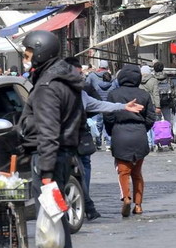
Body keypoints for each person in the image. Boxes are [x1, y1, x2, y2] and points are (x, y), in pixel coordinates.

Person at [18, 30, 83, 248]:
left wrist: (45, 172)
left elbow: (49, 132)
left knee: (53, 212)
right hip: (63, 154)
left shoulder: (47, 87)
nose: (25, 58)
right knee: (54, 212)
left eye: (28, 54)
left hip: (50, 157)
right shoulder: (64, 80)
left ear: (40, 52)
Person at [66, 57, 142, 222]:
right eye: (79, 74)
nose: (82, 77)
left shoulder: (82, 94)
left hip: (80, 140)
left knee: (83, 171)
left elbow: (99, 105)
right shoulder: (56, 92)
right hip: (62, 143)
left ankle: (85, 204)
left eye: (82, 74)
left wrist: (122, 106)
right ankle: (84, 205)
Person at [104, 65, 156, 217]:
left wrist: (111, 131)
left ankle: (126, 198)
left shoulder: (113, 94)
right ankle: (138, 205)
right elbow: (151, 117)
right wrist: (142, 129)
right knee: (137, 173)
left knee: (123, 171)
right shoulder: (144, 94)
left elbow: (108, 116)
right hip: (139, 134)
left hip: (120, 133)